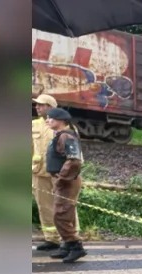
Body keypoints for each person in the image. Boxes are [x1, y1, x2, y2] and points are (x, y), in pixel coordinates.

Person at [44, 107, 87, 263]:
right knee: (63, 214)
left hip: (67, 181)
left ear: (61, 121)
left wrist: (62, 178)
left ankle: (76, 247)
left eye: (50, 118)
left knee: (61, 215)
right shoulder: (61, 135)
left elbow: (74, 160)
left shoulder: (66, 136)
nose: (47, 120)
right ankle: (67, 245)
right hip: (64, 180)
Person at [32, 94, 62, 250]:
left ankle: (71, 241)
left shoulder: (62, 125)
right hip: (39, 172)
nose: (37, 107)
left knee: (65, 206)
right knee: (44, 206)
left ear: (50, 107)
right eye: (36, 105)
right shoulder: (33, 125)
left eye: (41, 105)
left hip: (59, 173)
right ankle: (51, 239)